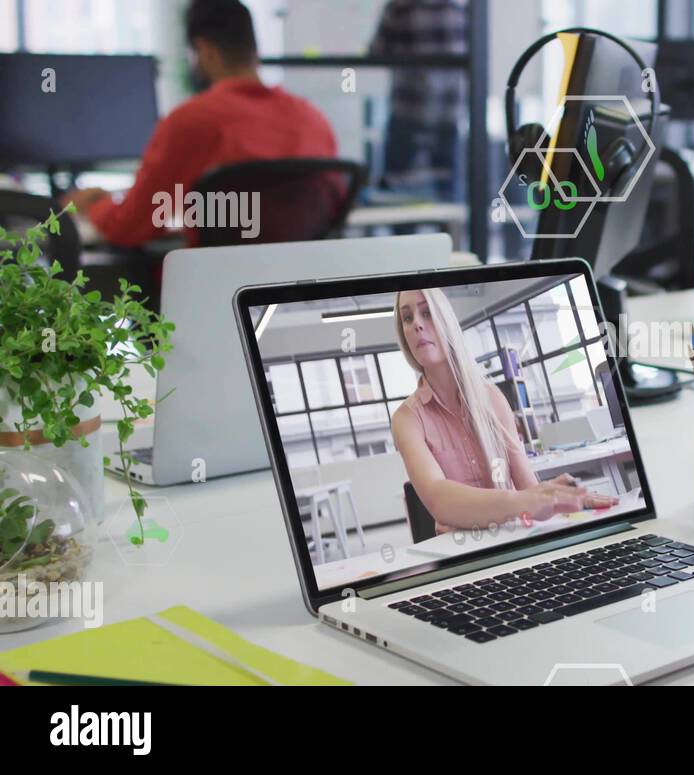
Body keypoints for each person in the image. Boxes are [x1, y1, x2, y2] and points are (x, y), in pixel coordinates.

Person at [62, 0, 338, 247]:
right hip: (293, 293)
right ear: (253, 48)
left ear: (204, 50)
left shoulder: (193, 120)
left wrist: (95, 204)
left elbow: (130, 226)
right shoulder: (312, 118)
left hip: (209, 291)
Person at [390, 288, 617, 532]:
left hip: (511, 541)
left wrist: (556, 497)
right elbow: (439, 499)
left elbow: (527, 487)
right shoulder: (407, 420)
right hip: (460, 553)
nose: (417, 325)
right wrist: (528, 501)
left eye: (427, 313)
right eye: (407, 318)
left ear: (446, 320)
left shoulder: (492, 398)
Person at [369, 0, 467, 200]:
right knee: (448, 194)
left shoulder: (400, 7)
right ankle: (449, 230)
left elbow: (377, 52)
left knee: (397, 194)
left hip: (408, 110)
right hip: (448, 112)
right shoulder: (459, 7)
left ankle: (405, 230)